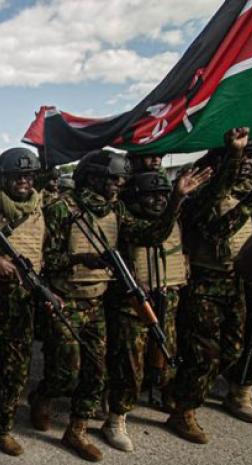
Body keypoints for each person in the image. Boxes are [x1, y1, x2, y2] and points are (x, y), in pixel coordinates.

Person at [34, 149, 204, 461]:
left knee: (97, 372)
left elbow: (150, 235)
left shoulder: (117, 209)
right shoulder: (61, 208)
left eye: (121, 179)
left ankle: (77, 429)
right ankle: (42, 396)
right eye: (113, 178)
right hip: (66, 299)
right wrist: (80, 258)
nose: (119, 184)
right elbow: (47, 261)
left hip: (97, 300)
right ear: (92, 177)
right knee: (65, 372)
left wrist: (177, 200)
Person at [170, 127, 252, 443]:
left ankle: (195, 390)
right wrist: (235, 157)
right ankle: (183, 410)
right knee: (203, 354)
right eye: (245, 161)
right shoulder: (204, 196)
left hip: (235, 282)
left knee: (233, 350)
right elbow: (219, 230)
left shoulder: (250, 198)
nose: (250, 167)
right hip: (205, 283)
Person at [103, 170, 204, 452]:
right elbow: (152, 234)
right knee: (129, 367)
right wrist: (176, 200)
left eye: (163, 195)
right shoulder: (124, 221)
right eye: (152, 196)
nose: (159, 201)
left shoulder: (175, 218)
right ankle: (116, 418)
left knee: (165, 361)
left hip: (166, 298)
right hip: (131, 305)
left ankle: (167, 401)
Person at [0, 148, 46, 456]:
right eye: (16, 176)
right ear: (3, 178)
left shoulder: (42, 207)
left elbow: (49, 249)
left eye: (28, 176)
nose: (23, 181)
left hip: (24, 298)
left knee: (16, 369)